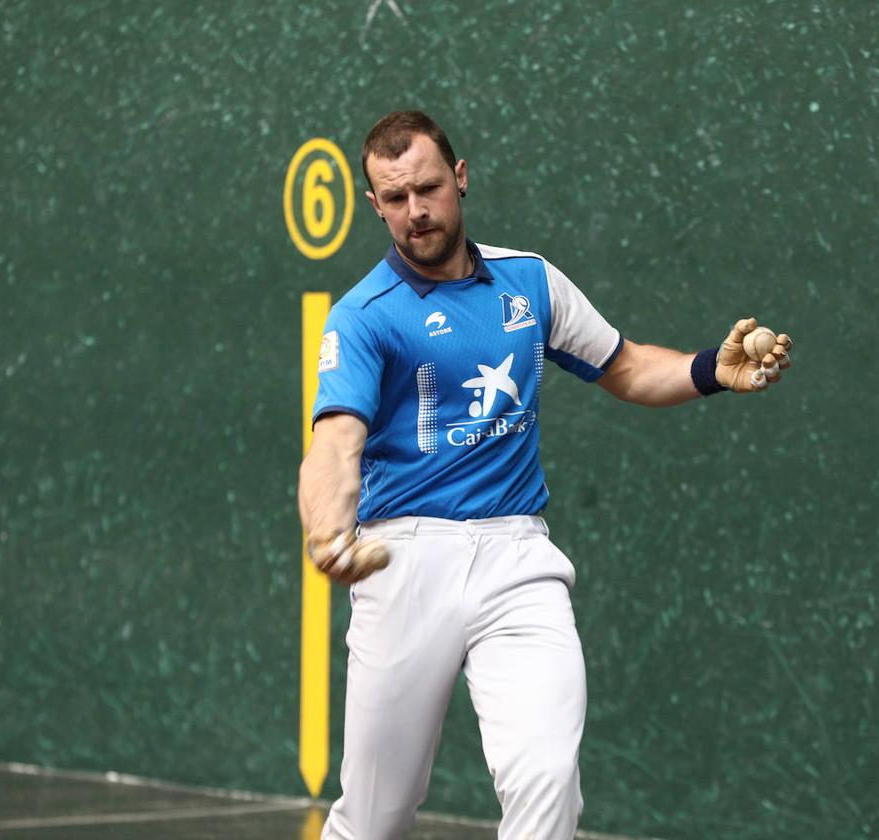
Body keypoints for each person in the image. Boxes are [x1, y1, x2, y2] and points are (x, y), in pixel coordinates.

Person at [298, 110, 792, 840]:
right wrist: (327, 528)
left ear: (460, 178)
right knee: (375, 817)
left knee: (547, 782)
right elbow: (337, 441)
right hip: (404, 562)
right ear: (374, 205)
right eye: (394, 200)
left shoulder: (529, 283)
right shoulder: (364, 316)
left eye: (428, 188)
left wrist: (706, 372)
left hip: (517, 559)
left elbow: (622, 366)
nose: (416, 212)